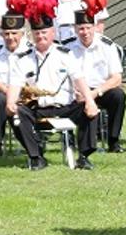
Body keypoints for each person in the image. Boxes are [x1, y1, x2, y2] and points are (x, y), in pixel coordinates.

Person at [14, 13, 94, 171]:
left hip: (65, 107)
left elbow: (79, 79)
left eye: (44, 32)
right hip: (38, 108)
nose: (40, 36)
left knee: (90, 109)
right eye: (37, 33)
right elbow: (14, 84)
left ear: (53, 33)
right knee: (16, 113)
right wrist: (11, 102)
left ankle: (84, 157)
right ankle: (36, 157)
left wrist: (90, 101)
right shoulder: (24, 59)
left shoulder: (65, 54)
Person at [67, 0, 125, 155]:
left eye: (88, 28)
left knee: (118, 96)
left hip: (101, 90)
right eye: (81, 29)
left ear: (94, 27)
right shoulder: (67, 47)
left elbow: (117, 77)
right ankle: (70, 139)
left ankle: (113, 141)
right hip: (76, 92)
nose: (85, 32)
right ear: (75, 29)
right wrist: (81, 93)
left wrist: (94, 93)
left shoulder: (107, 46)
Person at [0, 13, 36, 159]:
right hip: (3, 94)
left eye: (14, 33)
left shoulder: (33, 51)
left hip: (29, 95)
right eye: (6, 33)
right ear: (1, 34)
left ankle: (36, 142)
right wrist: (12, 96)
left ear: (22, 33)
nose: (10, 37)